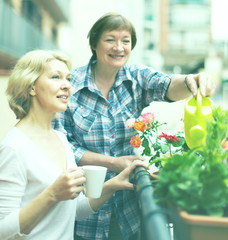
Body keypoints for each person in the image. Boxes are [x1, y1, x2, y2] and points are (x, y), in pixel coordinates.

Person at [52, 12, 216, 240]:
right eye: (110, 39)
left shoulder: (136, 76)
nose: (118, 47)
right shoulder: (71, 86)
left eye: (125, 41)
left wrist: (191, 81)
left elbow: (166, 85)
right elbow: (61, 145)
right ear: (95, 44)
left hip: (126, 208)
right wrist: (113, 163)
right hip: (84, 208)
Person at [0, 49, 146, 240]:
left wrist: (113, 185)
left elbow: (74, 210)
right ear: (31, 87)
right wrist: (52, 194)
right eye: (55, 77)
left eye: (68, 78)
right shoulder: (14, 147)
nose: (67, 86)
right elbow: (3, 231)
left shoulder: (61, 138)